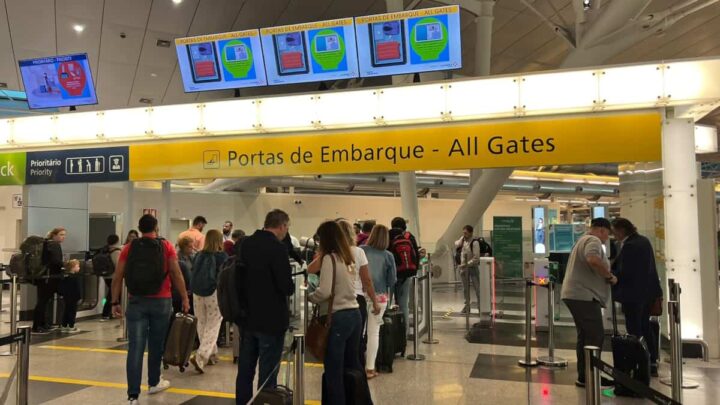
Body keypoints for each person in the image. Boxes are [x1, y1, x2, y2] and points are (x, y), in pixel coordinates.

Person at [111, 214, 190, 405]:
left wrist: (114, 302)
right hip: (161, 301)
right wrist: (185, 297)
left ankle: (133, 395)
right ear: (156, 227)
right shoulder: (166, 246)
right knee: (156, 344)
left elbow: (118, 276)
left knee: (135, 348)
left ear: (139, 229)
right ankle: (154, 382)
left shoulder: (129, 248)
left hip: (136, 301)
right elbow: (176, 273)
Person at [236, 209, 294, 404]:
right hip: (271, 319)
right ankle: (264, 401)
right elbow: (286, 286)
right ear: (282, 226)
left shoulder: (245, 243)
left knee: (245, 368)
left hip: (247, 316)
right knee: (268, 372)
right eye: (287, 227)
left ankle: (242, 401)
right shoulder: (277, 248)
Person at [309, 221, 366, 404]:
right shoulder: (347, 256)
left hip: (338, 316)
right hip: (355, 314)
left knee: (334, 370)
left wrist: (310, 297)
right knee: (354, 364)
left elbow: (325, 292)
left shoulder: (329, 259)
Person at [561, 218, 617, 388]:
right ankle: (591, 375)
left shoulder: (582, 240)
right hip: (584, 296)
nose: (607, 238)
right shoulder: (593, 240)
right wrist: (609, 276)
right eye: (607, 234)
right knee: (595, 335)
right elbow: (592, 259)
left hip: (576, 294)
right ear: (601, 230)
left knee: (585, 336)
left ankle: (585, 375)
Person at [611, 217, 663, 376]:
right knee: (645, 326)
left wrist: (612, 275)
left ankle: (639, 361)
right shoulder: (643, 241)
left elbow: (624, 271)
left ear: (621, 230)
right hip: (648, 293)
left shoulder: (630, 246)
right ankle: (651, 361)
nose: (614, 235)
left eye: (614, 231)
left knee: (634, 329)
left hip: (633, 295)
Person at [360, 224, 397, 379]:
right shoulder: (388, 256)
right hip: (380, 297)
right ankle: (370, 368)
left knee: (360, 332)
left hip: (361, 295)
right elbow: (392, 280)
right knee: (373, 333)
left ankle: (357, 364)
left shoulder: (362, 250)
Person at [189, 230, 229, 373]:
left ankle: (211, 354)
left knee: (201, 322)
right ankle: (201, 356)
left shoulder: (199, 255)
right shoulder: (222, 256)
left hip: (197, 292)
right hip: (214, 293)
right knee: (213, 324)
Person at [32, 227, 79, 334]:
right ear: (54, 235)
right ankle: (37, 326)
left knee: (43, 301)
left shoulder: (46, 243)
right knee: (43, 301)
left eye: (64, 235)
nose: (63, 237)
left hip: (43, 277)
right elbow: (56, 261)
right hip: (50, 277)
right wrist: (67, 264)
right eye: (61, 234)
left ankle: (42, 324)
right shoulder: (54, 245)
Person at [388, 217, 420, 336]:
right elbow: (416, 255)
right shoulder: (409, 237)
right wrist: (414, 271)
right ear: (404, 226)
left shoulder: (389, 236)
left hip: (391, 275)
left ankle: (388, 332)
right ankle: (405, 333)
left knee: (387, 302)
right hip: (406, 275)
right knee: (404, 304)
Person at [455, 225, 482, 314]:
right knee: (465, 289)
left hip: (472, 268)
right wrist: (462, 238)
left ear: (471, 233)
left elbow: (476, 258)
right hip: (464, 269)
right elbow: (456, 244)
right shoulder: (463, 240)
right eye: (463, 233)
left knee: (477, 288)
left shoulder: (475, 243)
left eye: (466, 233)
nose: (464, 235)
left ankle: (480, 307)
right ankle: (467, 307)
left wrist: (466, 264)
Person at [101, 234, 123, 321]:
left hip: (106, 276)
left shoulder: (105, 250)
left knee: (111, 294)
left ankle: (110, 312)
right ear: (117, 241)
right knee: (112, 295)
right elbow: (118, 265)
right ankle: (106, 313)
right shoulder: (117, 251)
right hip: (113, 276)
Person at [175, 236, 194, 315]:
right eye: (190, 247)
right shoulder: (177, 258)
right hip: (181, 291)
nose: (192, 248)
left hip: (190, 290)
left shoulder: (191, 257)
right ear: (184, 247)